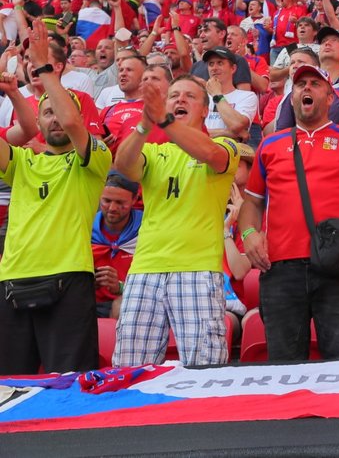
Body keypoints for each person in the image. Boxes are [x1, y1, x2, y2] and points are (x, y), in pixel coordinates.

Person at [240, 65, 339, 361]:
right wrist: (249, 233)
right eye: (300, 85)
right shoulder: (270, 145)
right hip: (280, 269)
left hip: (338, 266)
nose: (307, 89)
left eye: (315, 83)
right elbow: (251, 203)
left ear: (330, 97)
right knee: (284, 366)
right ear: (292, 97)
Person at [0, 21, 111, 374]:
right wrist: (14, 92)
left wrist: (43, 66)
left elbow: (75, 124)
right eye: (47, 113)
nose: (57, 120)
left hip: (68, 278)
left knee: (72, 384)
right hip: (12, 279)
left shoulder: (94, 159)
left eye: (62, 112)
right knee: (10, 387)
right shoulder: (23, 161)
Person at [112, 75, 240, 366]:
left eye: (189, 96)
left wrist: (165, 120)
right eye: (173, 95)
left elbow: (209, 154)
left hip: (197, 270)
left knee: (204, 371)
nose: (180, 100)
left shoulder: (225, 144)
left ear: (206, 110)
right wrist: (145, 124)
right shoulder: (154, 151)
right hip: (145, 268)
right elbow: (123, 165)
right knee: (130, 370)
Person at [90, 171, 143, 319]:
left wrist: (120, 287)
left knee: (121, 305)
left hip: (129, 302)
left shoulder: (147, 229)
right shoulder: (85, 227)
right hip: (88, 301)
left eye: (120, 203)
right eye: (107, 201)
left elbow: (155, 285)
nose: (112, 208)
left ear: (135, 199)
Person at [202, 46, 259, 142]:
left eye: (220, 63)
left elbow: (236, 124)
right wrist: (227, 132)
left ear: (233, 68)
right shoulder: (201, 97)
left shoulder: (247, 96)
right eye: (211, 64)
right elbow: (191, 131)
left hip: (230, 154)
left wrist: (216, 94)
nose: (214, 68)